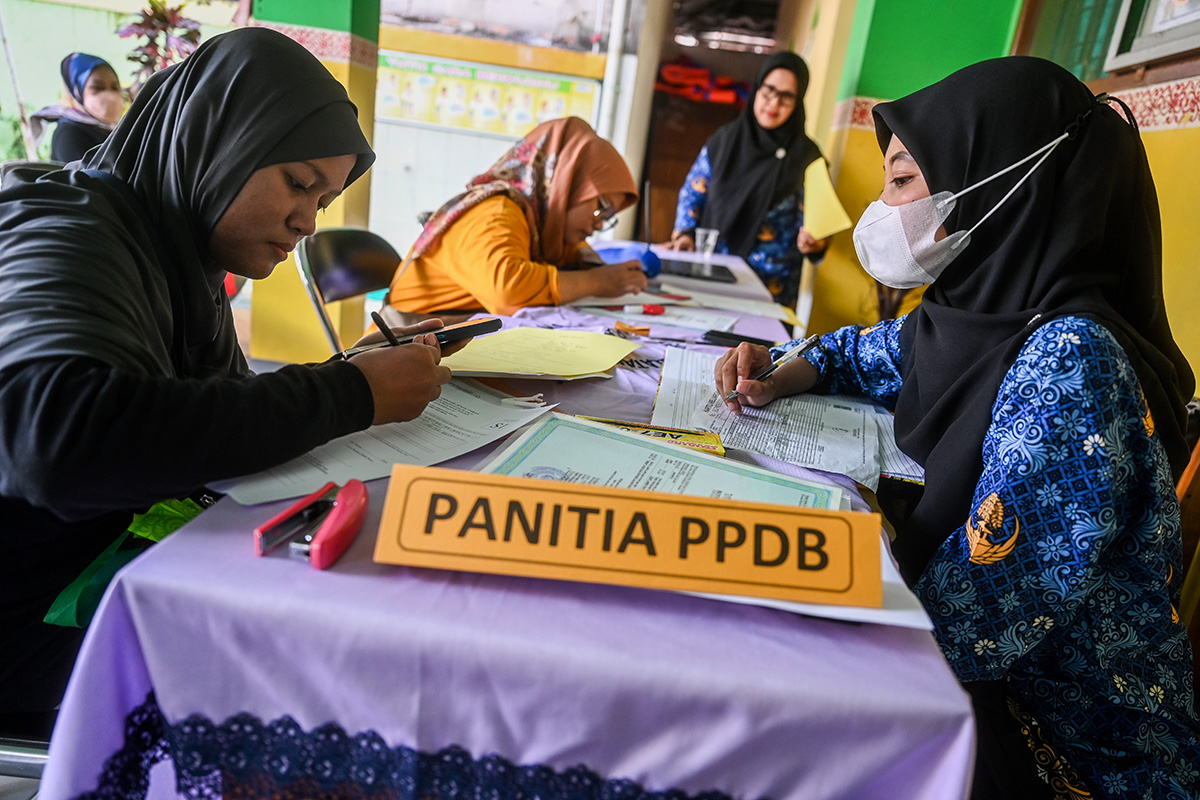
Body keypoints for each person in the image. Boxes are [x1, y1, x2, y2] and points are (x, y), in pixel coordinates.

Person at [714, 57, 1199, 798]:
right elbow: (868, 353)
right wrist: (785, 367)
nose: (883, 207)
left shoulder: (1071, 359)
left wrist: (789, 598)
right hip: (978, 683)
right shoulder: (976, 308)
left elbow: (979, 612)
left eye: (903, 180)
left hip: (1067, 745)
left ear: (1007, 181)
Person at [0, 28, 458, 716]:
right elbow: (59, 440)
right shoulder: (67, 228)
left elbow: (201, 412)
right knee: (344, 677)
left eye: (323, 201)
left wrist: (349, 375)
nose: (306, 220)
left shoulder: (175, 246)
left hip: (112, 561)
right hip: (29, 618)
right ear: (219, 142)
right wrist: (347, 394)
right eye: (298, 184)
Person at [386, 116, 647, 317]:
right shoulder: (496, 211)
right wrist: (596, 281)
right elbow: (507, 291)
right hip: (395, 356)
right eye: (602, 207)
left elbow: (574, 255)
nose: (600, 223)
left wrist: (602, 271)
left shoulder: (541, 226)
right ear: (568, 182)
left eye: (610, 216)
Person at [664, 52, 827, 307]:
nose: (773, 104)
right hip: (710, 276)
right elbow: (693, 192)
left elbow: (816, 223)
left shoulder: (807, 157)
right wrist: (684, 234)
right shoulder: (724, 141)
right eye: (768, 91)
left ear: (798, 102)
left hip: (768, 290)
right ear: (756, 89)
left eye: (786, 97)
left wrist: (814, 244)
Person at [30, 53, 125, 163]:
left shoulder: (108, 131)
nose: (109, 95)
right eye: (97, 88)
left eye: (115, 87)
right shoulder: (69, 134)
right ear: (76, 92)